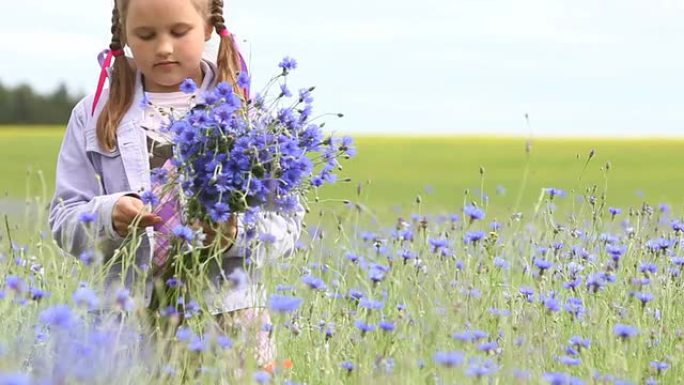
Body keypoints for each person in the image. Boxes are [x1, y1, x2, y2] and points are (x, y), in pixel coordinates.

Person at [48, 0, 303, 369]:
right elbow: (64, 218)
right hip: (127, 323)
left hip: (229, 319)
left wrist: (234, 234)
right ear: (123, 33)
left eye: (179, 32)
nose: (163, 47)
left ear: (209, 28)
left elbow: (286, 221)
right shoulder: (93, 115)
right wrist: (109, 215)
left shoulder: (248, 115)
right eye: (146, 35)